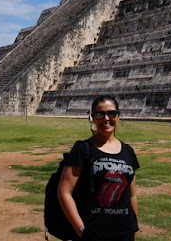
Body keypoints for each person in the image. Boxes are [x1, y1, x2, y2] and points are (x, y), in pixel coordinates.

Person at [58, 96, 139, 241]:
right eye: (100, 114)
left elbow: (132, 194)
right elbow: (64, 192)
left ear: (118, 116)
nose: (106, 119)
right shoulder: (82, 149)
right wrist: (81, 230)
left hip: (125, 231)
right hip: (93, 232)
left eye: (112, 113)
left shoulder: (128, 151)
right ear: (93, 117)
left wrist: (134, 227)